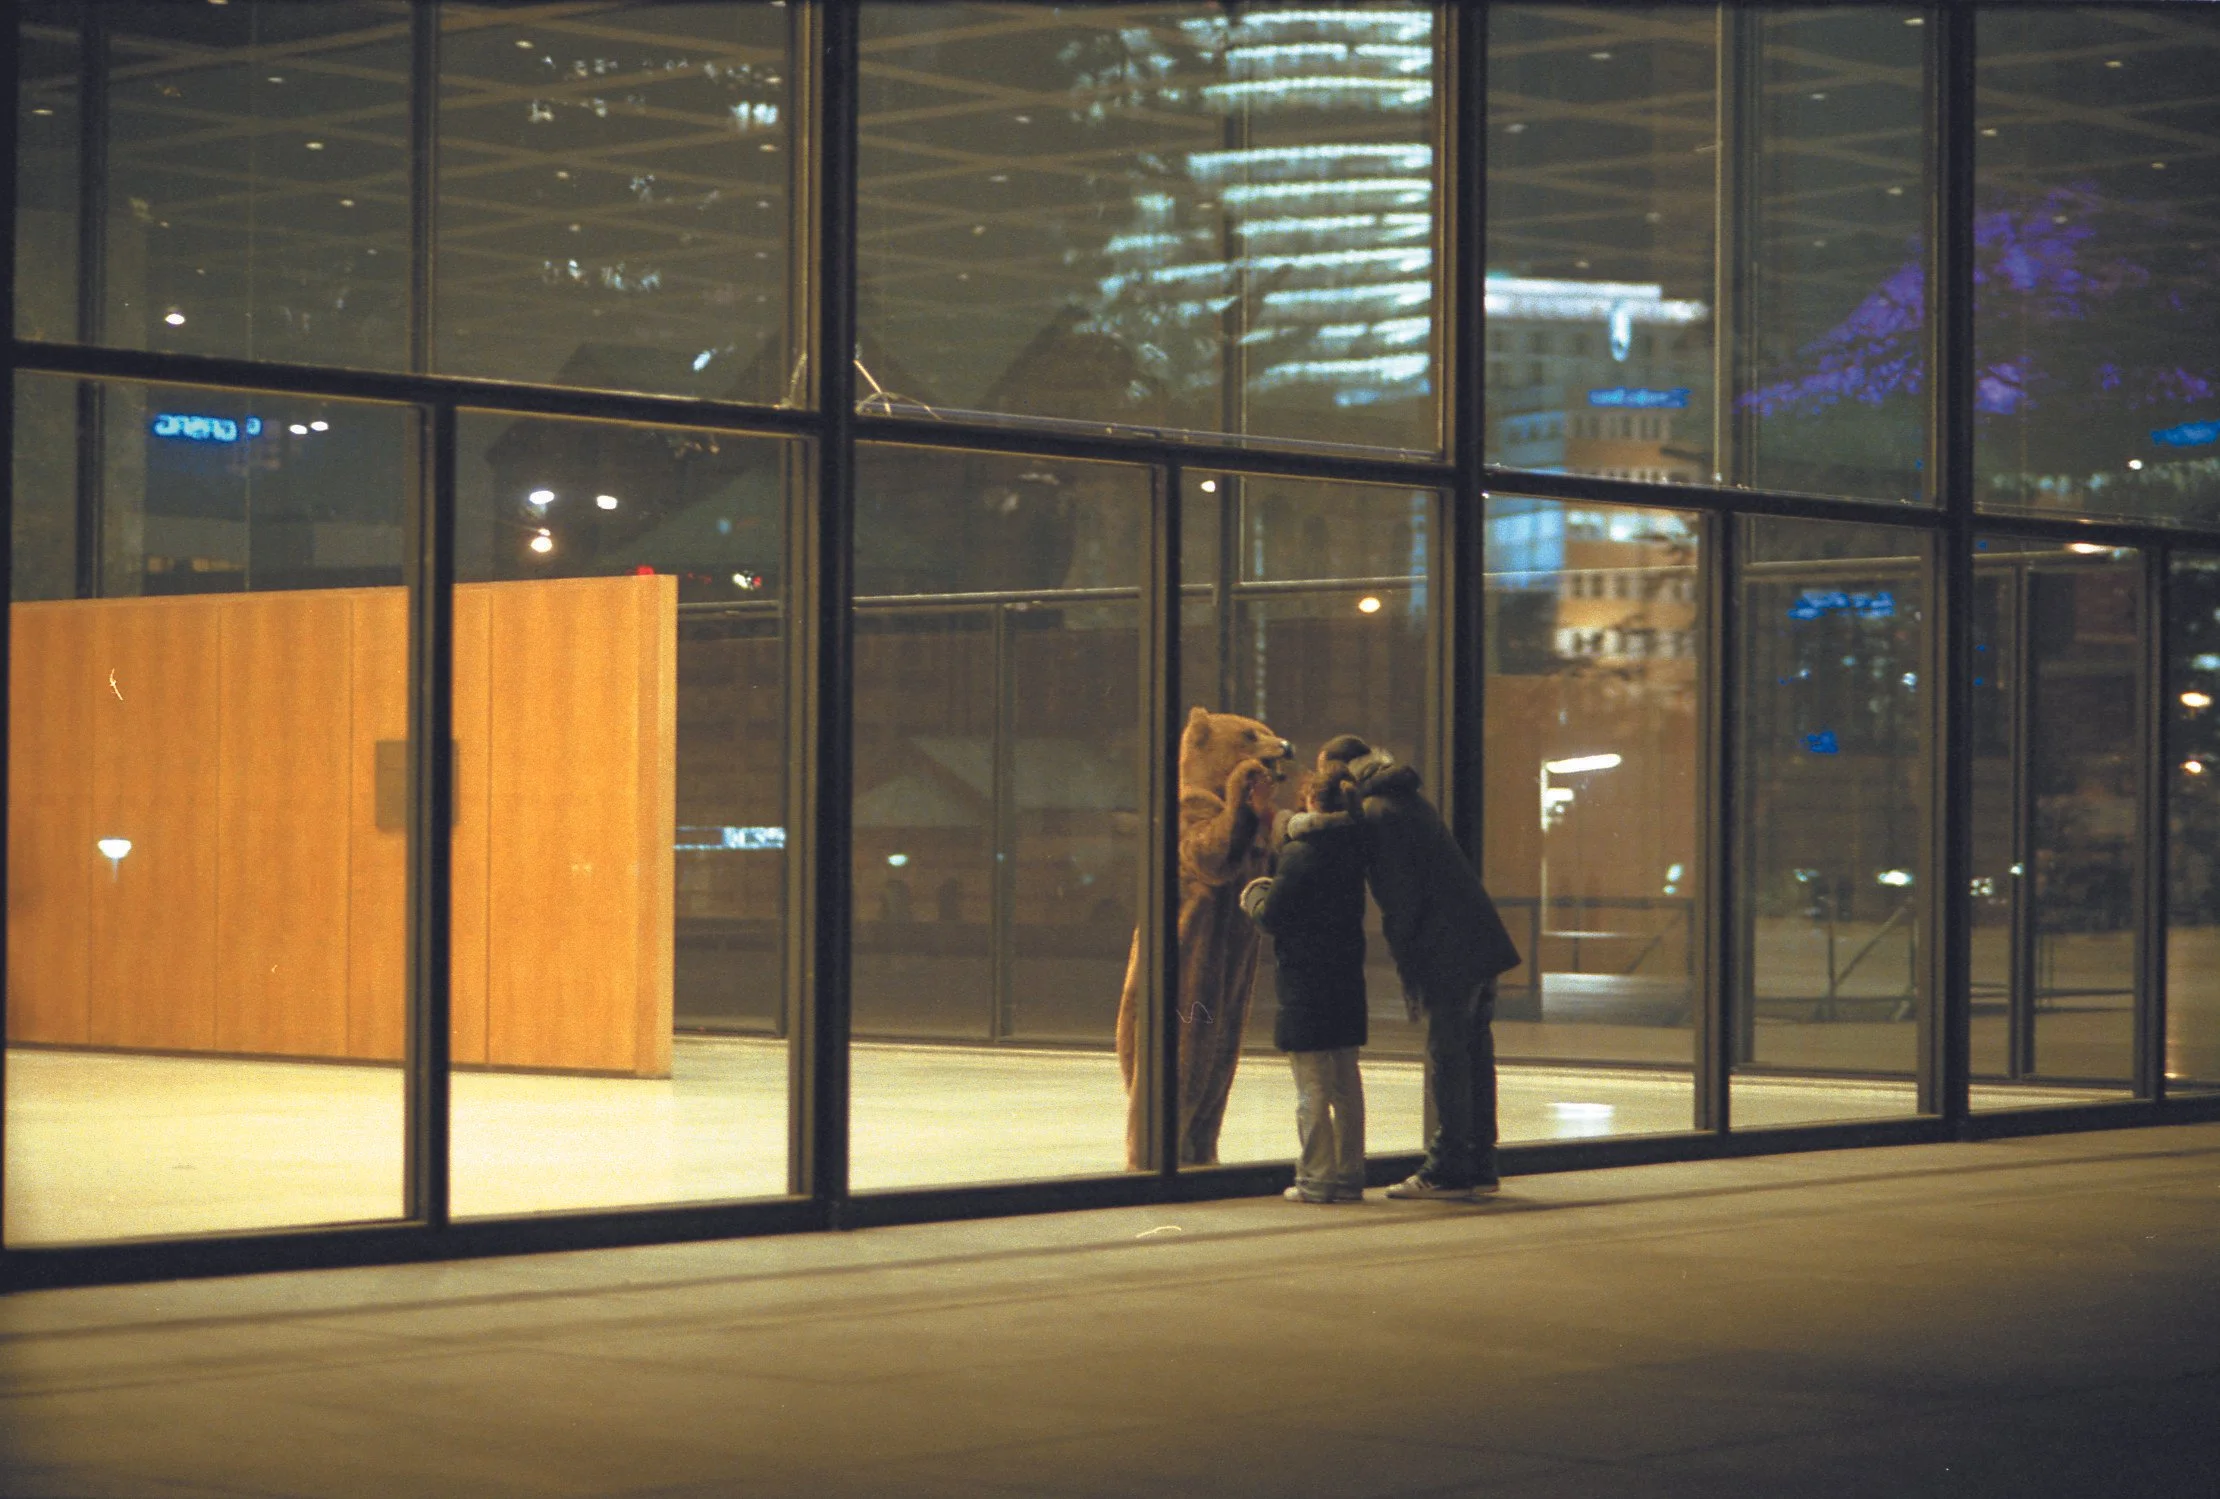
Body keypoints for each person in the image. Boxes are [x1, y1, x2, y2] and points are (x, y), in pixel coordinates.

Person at [1318, 734, 1521, 1201]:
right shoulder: (1404, 799)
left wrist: (1407, 956)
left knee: (1448, 1056)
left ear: (1343, 770)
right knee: (1473, 1054)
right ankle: (1479, 1163)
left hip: (1446, 948)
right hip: (1477, 940)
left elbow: (1401, 898)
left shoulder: (1378, 813)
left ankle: (1447, 1169)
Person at [1240, 765, 1369, 1204]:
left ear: (1311, 801)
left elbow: (1273, 916)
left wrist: (1255, 896)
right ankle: (1350, 1176)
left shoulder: (1301, 854)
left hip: (1307, 981)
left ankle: (1316, 1179)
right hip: (1346, 977)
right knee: (1346, 1084)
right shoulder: (1354, 847)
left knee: (1311, 1085)